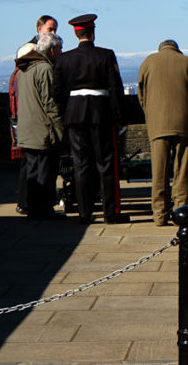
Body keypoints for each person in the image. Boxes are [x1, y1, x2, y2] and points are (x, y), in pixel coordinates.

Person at [54, 14, 129, 225]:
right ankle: (110, 212)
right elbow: (116, 89)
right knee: (106, 163)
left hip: (75, 116)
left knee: (81, 165)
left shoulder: (64, 59)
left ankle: (84, 213)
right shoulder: (105, 55)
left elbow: (57, 92)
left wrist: (66, 113)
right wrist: (118, 116)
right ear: (92, 32)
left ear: (76, 33)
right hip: (101, 114)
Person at [138, 40, 188, 226]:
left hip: (158, 125)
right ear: (177, 49)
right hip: (185, 123)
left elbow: (141, 94)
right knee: (182, 171)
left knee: (159, 172)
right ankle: (181, 211)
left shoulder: (148, 62)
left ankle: (160, 215)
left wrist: (151, 113)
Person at [16, 33, 65, 220]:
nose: (61, 53)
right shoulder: (45, 69)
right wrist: (60, 130)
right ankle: (44, 210)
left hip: (27, 130)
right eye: (59, 49)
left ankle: (34, 209)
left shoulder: (24, 69)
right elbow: (51, 104)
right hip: (42, 131)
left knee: (33, 172)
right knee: (45, 172)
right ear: (52, 50)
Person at [8, 42, 37, 215]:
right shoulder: (22, 74)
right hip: (24, 122)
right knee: (28, 164)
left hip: (20, 121)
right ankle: (25, 202)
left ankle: (25, 202)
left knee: (27, 164)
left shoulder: (17, 74)